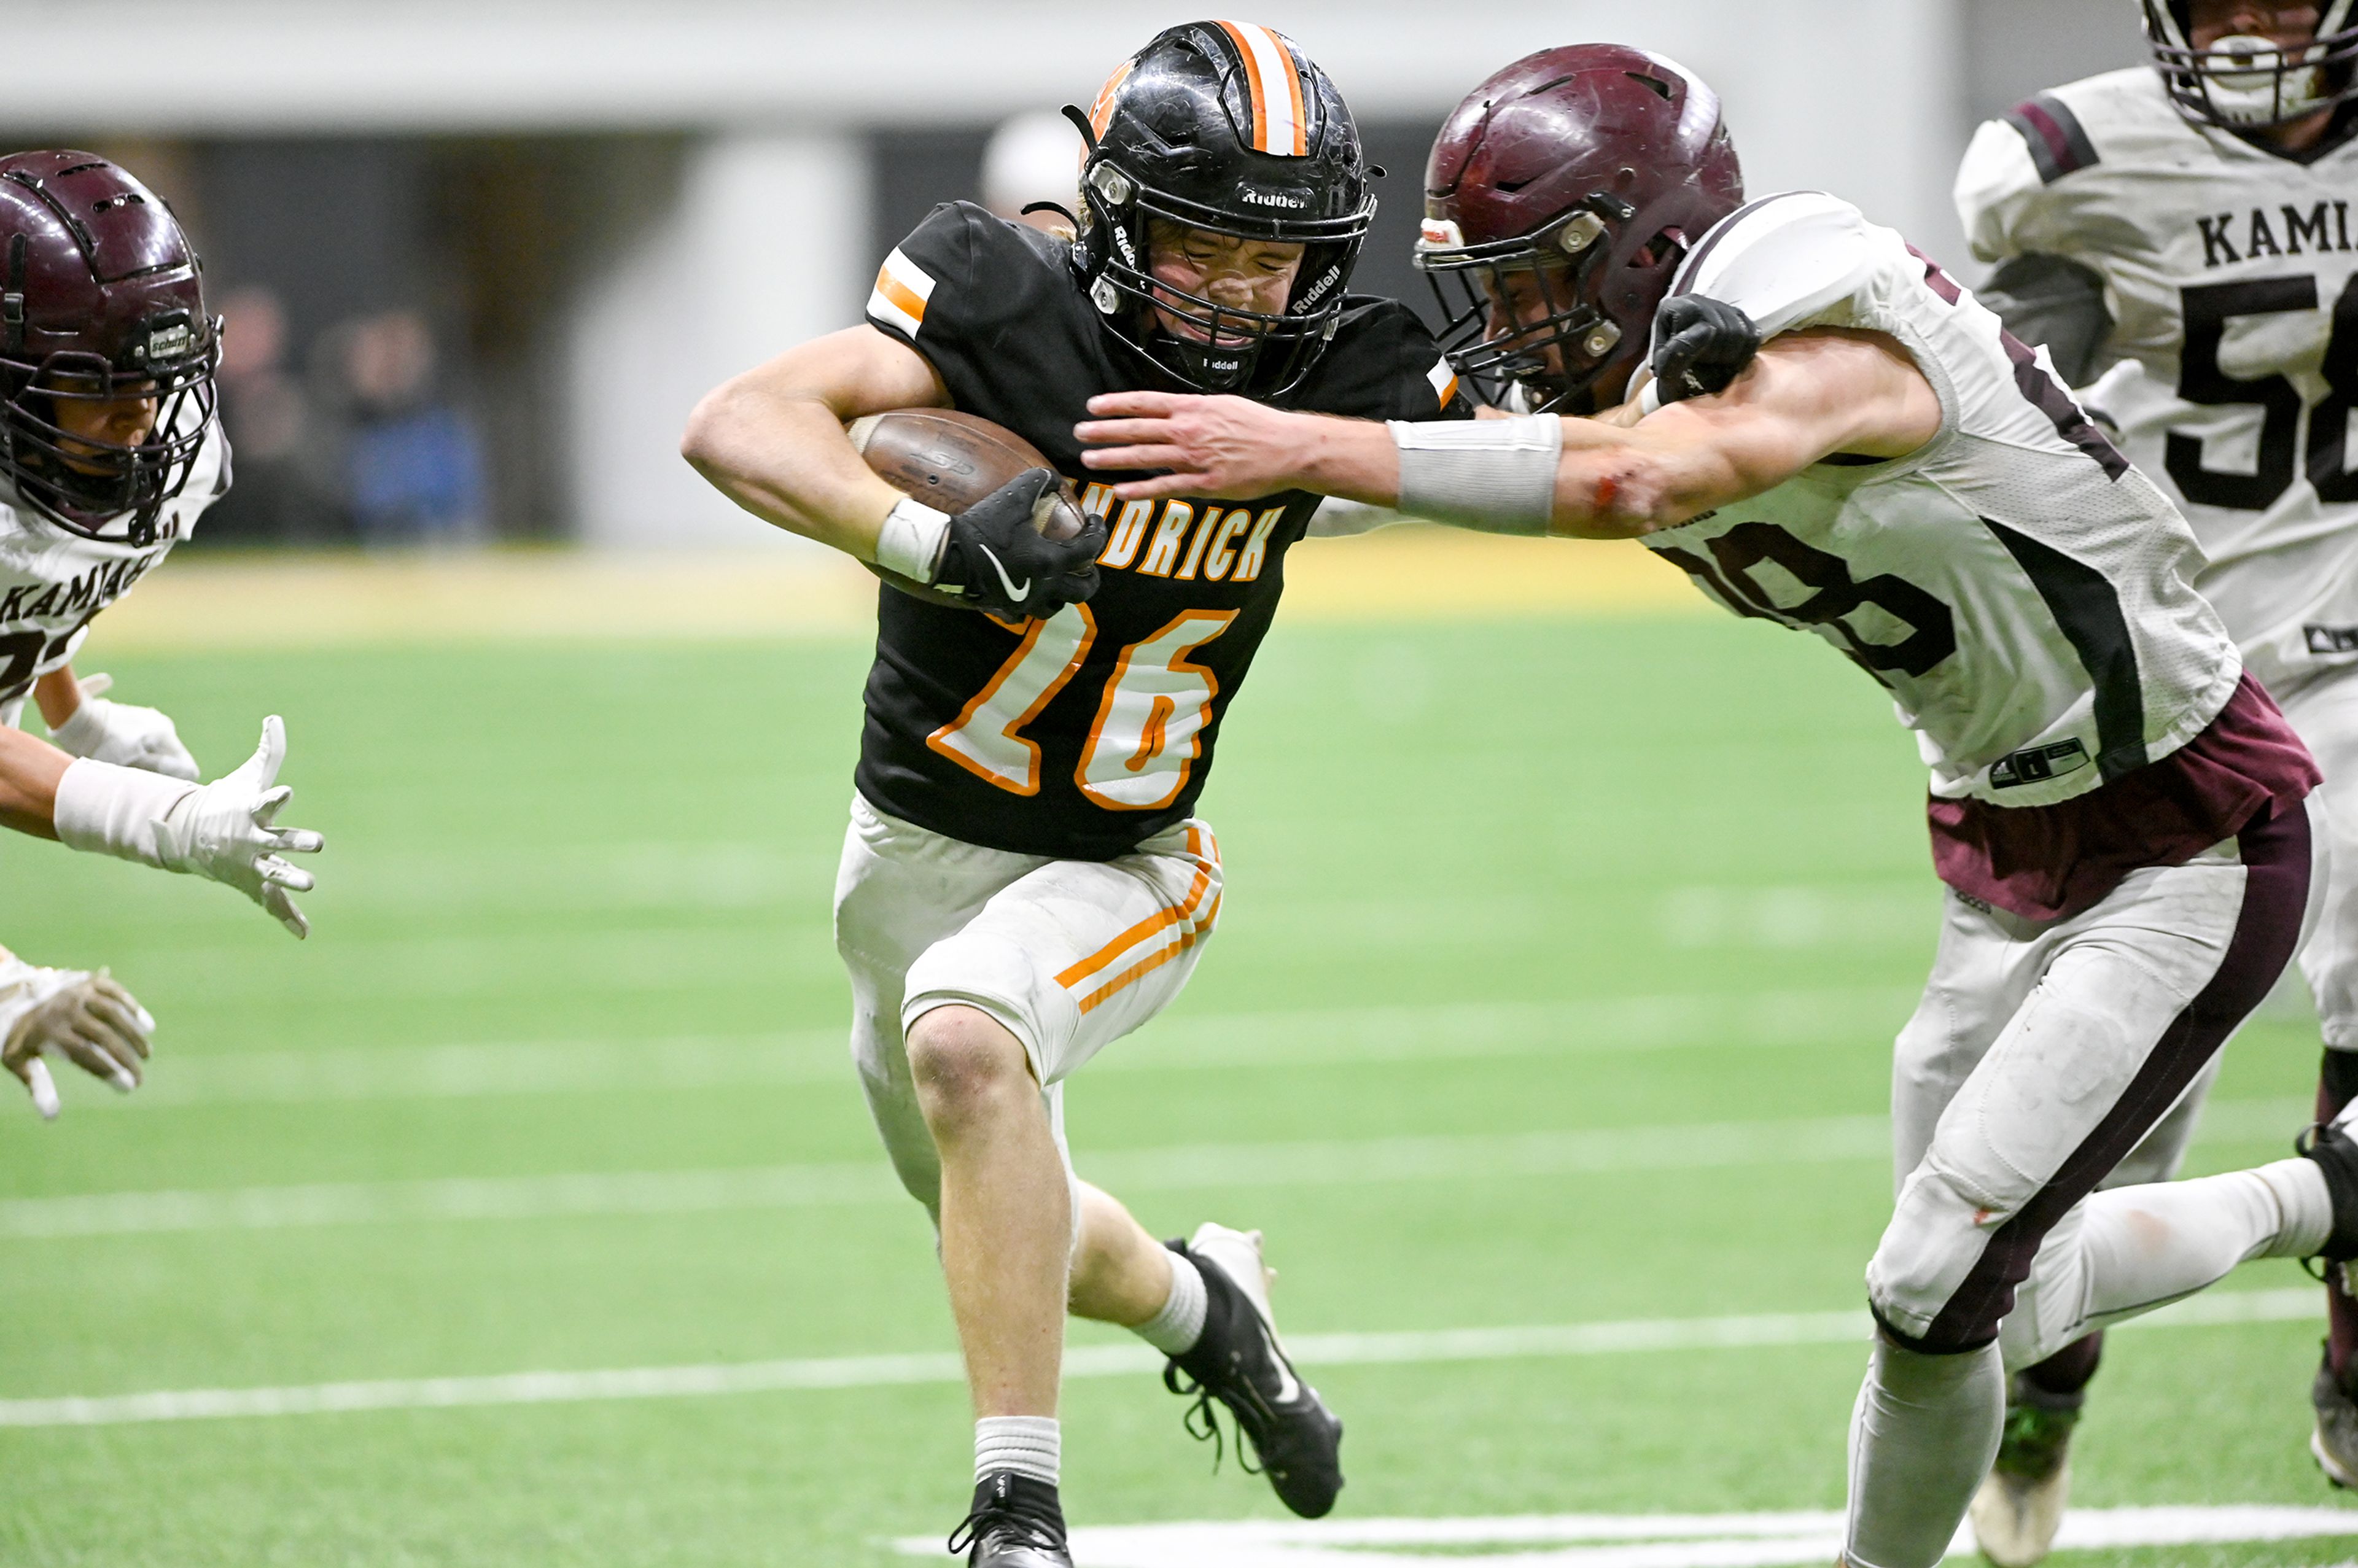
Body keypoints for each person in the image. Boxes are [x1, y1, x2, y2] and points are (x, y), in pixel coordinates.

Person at [1072, 43, 2358, 1568]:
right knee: (1967, 1296)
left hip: (2183, 828)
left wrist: (1292, 442)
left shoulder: (1828, 328)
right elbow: (1456, 468)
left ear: (1649, 241)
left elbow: (1647, 480)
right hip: (1993, 841)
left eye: (1535, 280)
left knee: (1935, 1278)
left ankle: (2318, 1195)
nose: (1509, 324)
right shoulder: (1642, 365)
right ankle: (2330, 1190)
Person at [681, 21, 1466, 1566]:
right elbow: (737, 422)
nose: (1248, 292)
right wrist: (921, 541)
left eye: (1281, 255)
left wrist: (1316, 449)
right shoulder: (1001, 309)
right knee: (1005, 1200)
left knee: (972, 1041)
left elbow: (1569, 451)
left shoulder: (1329, 372)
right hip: (901, 854)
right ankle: (1207, 1306)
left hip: (1130, 860)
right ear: (1115, 215)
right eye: (1210, 243)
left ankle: (1016, 1512)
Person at [1955, 1, 2358, 1548]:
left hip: (2351, 624)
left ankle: (2350, 1359)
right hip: (2174, 662)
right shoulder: (2074, 159)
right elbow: (2004, 377)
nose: (2249, 29)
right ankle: (2046, 1401)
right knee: (2120, 1095)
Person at [0, 150, 325, 1114]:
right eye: (101, 389)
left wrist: (67, 704)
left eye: (157, 385)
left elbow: (41, 584)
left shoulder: (167, 460)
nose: (143, 426)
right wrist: (163, 825)